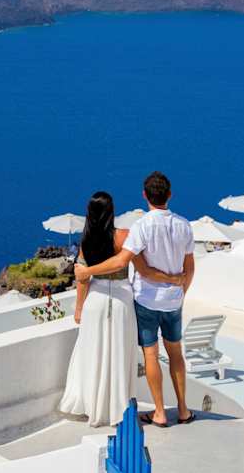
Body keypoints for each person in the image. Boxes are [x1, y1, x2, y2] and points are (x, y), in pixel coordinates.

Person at [74, 172, 195, 427]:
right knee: (176, 354)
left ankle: (160, 413)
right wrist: (178, 287)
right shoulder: (184, 225)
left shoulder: (141, 227)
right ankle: (183, 410)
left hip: (147, 300)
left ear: (144, 195)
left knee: (151, 355)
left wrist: (86, 272)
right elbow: (190, 267)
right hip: (173, 302)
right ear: (169, 194)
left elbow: (133, 266)